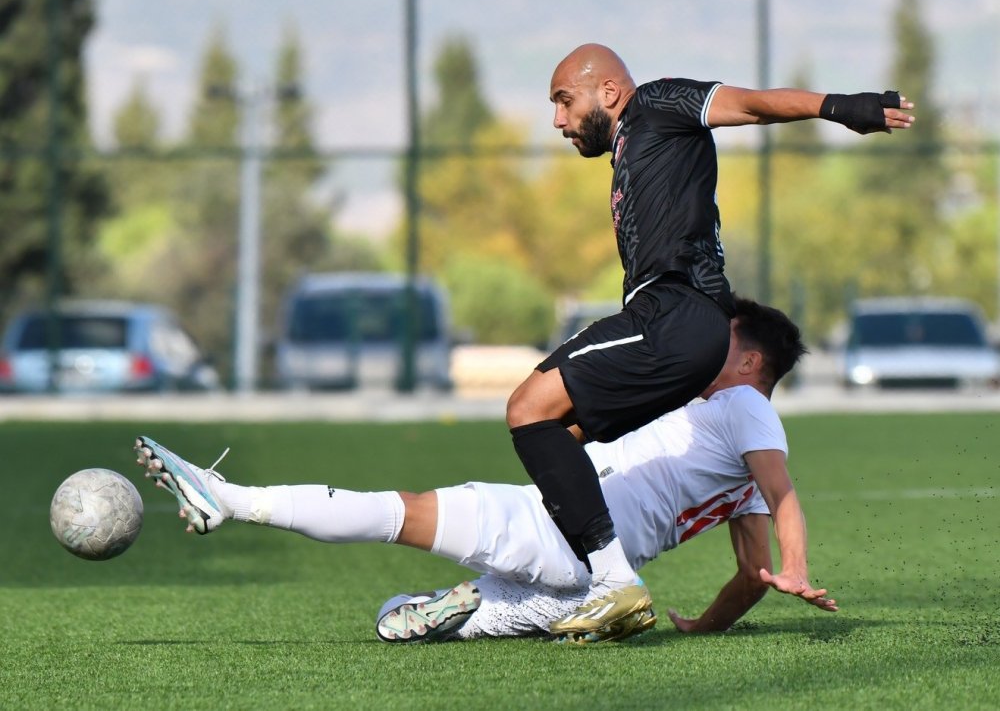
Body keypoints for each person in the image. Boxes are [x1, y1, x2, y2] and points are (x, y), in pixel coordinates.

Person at [505, 43, 915, 639]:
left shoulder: (656, 104)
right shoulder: (629, 149)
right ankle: (535, 586)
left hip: (676, 315)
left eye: (564, 101)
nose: (558, 120)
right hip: (681, 330)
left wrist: (839, 106)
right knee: (555, 440)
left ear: (610, 92)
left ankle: (613, 580)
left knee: (525, 407)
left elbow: (749, 106)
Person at [134, 297, 835, 644]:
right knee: (394, 618)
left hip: (557, 528)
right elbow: (751, 572)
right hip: (584, 566)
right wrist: (703, 627)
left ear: (750, 364)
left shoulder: (744, 404)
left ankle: (229, 500)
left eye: (723, 342)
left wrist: (797, 563)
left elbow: (785, 496)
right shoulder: (731, 448)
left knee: (393, 511)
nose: (706, 347)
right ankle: (491, 605)